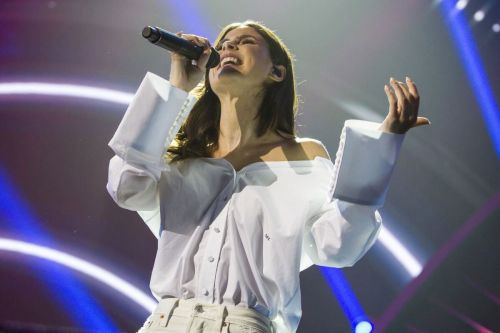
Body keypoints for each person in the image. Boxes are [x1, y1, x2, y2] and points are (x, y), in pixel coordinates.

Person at [106, 20, 429, 333]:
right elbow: (126, 188)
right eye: (223, 44)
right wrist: (177, 86)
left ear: (276, 72)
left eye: (246, 41)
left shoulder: (304, 157)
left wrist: (378, 149)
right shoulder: (183, 159)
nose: (229, 45)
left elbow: (338, 245)